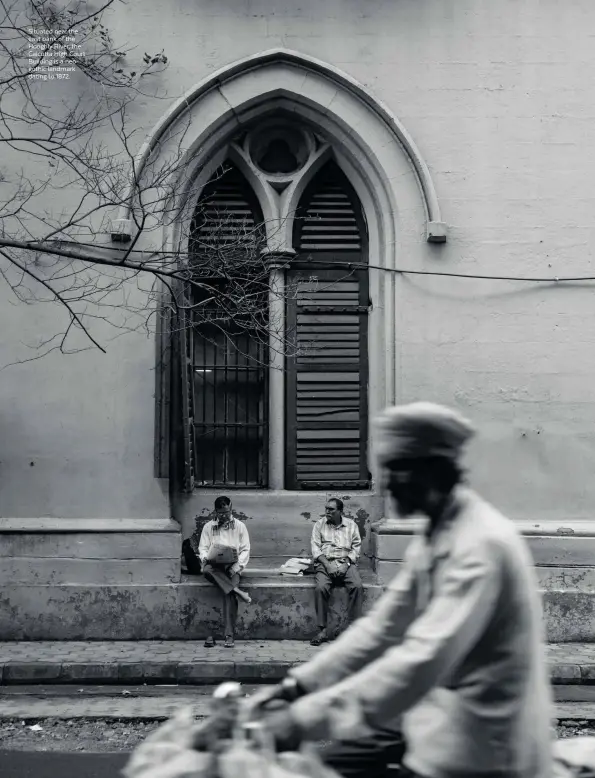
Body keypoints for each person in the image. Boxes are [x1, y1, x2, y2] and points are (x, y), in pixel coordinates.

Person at [248, 402, 554, 778]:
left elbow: (420, 659)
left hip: (485, 749)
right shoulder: (435, 533)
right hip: (441, 720)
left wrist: (302, 719)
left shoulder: (481, 546)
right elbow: (382, 628)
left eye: (397, 470)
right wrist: (297, 687)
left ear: (431, 472)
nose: (388, 484)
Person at [198, 496, 251, 649]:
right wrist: (206, 557)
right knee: (206, 570)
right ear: (215, 511)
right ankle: (238, 590)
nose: (224, 516)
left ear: (231, 509)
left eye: (227, 513)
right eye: (221, 513)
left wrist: (235, 568)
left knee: (229, 595)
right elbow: (202, 548)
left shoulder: (240, 526)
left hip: (233, 566)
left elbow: (245, 550)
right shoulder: (209, 527)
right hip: (215, 566)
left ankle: (229, 635)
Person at [310, 497, 363, 646]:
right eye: (326, 509)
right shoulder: (319, 525)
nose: (327, 512)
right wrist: (328, 565)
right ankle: (323, 630)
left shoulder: (351, 525)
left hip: (345, 562)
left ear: (340, 511)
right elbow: (315, 548)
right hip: (326, 562)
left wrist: (346, 564)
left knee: (357, 586)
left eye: (331, 509)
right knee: (321, 588)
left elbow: (356, 547)